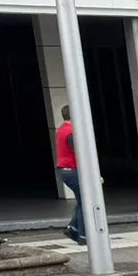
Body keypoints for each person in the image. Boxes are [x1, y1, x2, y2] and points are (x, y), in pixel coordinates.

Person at [55, 105, 84, 246]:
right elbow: (79, 152)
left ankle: (73, 229)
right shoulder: (71, 131)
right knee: (86, 201)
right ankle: (83, 235)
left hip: (64, 170)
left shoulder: (61, 130)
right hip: (72, 170)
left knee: (82, 201)